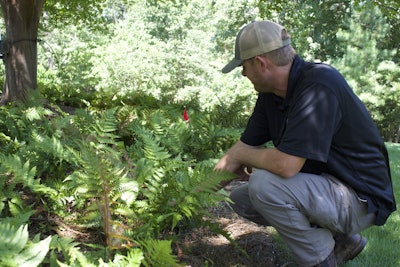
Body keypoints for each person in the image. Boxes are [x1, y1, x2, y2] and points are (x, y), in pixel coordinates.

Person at [215, 20, 396, 267]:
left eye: (243, 67)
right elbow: (236, 154)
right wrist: (185, 199)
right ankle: (343, 243)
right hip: (328, 190)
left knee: (264, 185)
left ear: (260, 63)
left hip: (360, 198)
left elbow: (285, 165)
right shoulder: (271, 96)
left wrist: (247, 155)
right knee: (240, 198)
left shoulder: (319, 86)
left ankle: (320, 261)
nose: (244, 74)